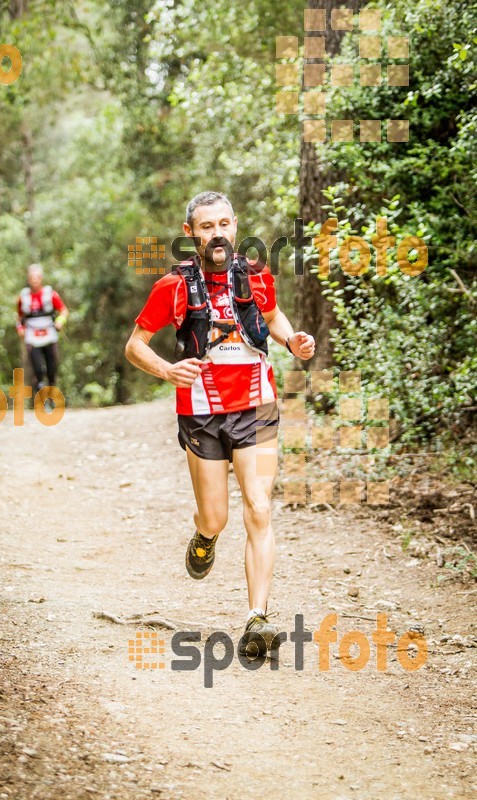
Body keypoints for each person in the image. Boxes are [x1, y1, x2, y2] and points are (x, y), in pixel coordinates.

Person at [125, 192, 315, 657]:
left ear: (235, 227)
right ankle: (205, 536)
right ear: (190, 233)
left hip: (256, 403)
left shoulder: (256, 276)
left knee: (259, 507)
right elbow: (135, 346)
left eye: (225, 224)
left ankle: (257, 618)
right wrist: (167, 371)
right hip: (201, 409)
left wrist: (293, 340)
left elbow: (272, 318)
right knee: (217, 516)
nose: (218, 233)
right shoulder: (172, 286)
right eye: (207, 226)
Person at [16, 263, 69, 395]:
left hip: (49, 335)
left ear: (41, 278)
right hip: (32, 337)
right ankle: (40, 393)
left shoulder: (51, 294)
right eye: (32, 277)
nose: (34, 280)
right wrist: (20, 328)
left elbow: (63, 310)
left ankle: (51, 391)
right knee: (38, 369)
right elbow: (19, 318)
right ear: (28, 279)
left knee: (52, 367)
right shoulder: (23, 298)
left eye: (37, 277)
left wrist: (60, 321)